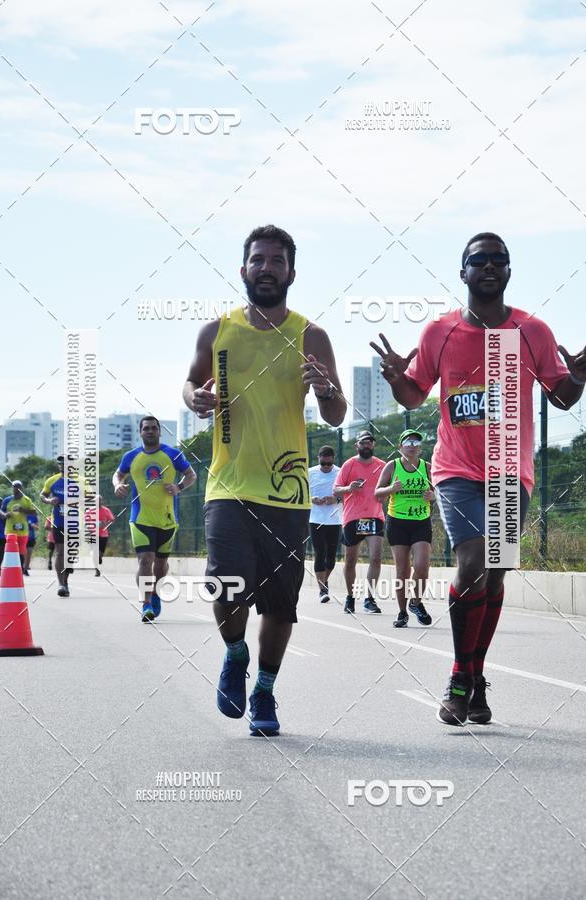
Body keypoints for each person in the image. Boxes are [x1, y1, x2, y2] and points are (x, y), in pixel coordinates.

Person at [372, 232, 586, 726]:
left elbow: (561, 398)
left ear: (509, 271)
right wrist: (393, 377)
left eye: (499, 260)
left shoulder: (531, 331)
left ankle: (476, 675)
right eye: (479, 260)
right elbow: (413, 396)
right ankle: (457, 676)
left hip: (511, 471)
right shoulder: (440, 333)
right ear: (463, 271)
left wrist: (577, 377)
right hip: (455, 469)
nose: (489, 266)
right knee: (473, 559)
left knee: (495, 573)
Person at [183, 224, 346, 736]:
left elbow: (338, 413)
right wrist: (197, 400)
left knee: (280, 605)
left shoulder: (311, 335)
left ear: (291, 272)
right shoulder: (216, 332)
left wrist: (324, 391)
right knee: (225, 582)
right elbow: (190, 385)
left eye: (277, 261)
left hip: (288, 493)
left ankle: (266, 691)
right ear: (244, 269)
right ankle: (235, 655)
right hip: (229, 485)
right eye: (259, 260)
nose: (268, 268)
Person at [113, 417, 196, 622]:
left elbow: (190, 474)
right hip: (140, 517)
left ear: (160, 431)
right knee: (145, 559)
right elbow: (118, 474)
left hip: (167, 518)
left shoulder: (172, 454)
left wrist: (179, 487)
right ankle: (145, 603)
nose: (150, 431)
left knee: (161, 563)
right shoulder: (131, 456)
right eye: (146, 428)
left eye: (154, 428)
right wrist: (117, 485)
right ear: (140, 432)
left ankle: (156, 592)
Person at [375, 429, 434, 628]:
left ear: (420, 448)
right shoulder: (392, 466)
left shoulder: (427, 467)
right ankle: (402, 613)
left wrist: (433, 495)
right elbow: (377, 493)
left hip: (421, 521)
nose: (411, 445)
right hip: (397, 522)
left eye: (416, 442)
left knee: (422, 566)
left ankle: (415, 603)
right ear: (400, 447)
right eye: (407, 442)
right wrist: (391, 489)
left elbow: (440, 491)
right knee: (402, 570)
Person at [333, 431, 386, 615]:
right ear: (357, 445)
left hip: (374, 516)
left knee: (376, 558)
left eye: (370, 442)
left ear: (373, 445)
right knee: (350, 561)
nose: (367, 445)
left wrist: (386, 493)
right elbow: (336, 490)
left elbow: (388, 488)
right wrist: (349, 488)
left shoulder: (382, 466)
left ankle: (369, 599)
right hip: (352, 517)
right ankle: (350, 596)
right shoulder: (349, 464)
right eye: (363, 442)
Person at [308, 445, 342, 602]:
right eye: (323, 464)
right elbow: (300, 494)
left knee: (331, 556)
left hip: (335, 519)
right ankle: (322, 590)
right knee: (319, 553)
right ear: (318, 460)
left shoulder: (340, 472)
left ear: (333, 460)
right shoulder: (310, 473)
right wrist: (312, 500)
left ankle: (324, 579)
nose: (326, 467)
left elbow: (348, 494)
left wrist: (336, 499)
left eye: (329, 464)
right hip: (315, 519)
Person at [41, 456, 71, 597]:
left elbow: (90, 497)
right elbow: (43, 495)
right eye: (60, 463)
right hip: (58, 522)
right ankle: (61, 584)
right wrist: (48, 500)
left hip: (76, 523)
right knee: (60, 552)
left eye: (65, 463)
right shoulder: (52, 480)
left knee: (71, 554)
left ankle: (65, 579)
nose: (62, 465)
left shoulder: (81, 480)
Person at [0, 481, 37, 572]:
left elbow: (34, 512)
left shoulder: (27, 500)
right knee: (10, 550)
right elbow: (1, 511)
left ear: (22, 489)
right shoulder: (7, 500)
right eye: (14, 487)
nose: (16, 489)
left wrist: (23, 510)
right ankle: (9, 570)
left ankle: (20, 569)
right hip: (10, 530)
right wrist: (5, 515)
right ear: (12, 489)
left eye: (18, 487)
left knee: (21, 551)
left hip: (23, 530)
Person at [86, 495, 115, 576]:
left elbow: (112, 520)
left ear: (101, 501)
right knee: (94, 551)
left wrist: (105, 524)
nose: (97, 502)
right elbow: (85, 522)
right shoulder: (89, 511)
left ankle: (100, 557)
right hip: (93, 534)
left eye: (99, 500)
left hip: (103, 534)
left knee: (100, 552)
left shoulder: (106, 510)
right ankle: (96, 569)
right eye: (96, 500)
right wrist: (91, 525)